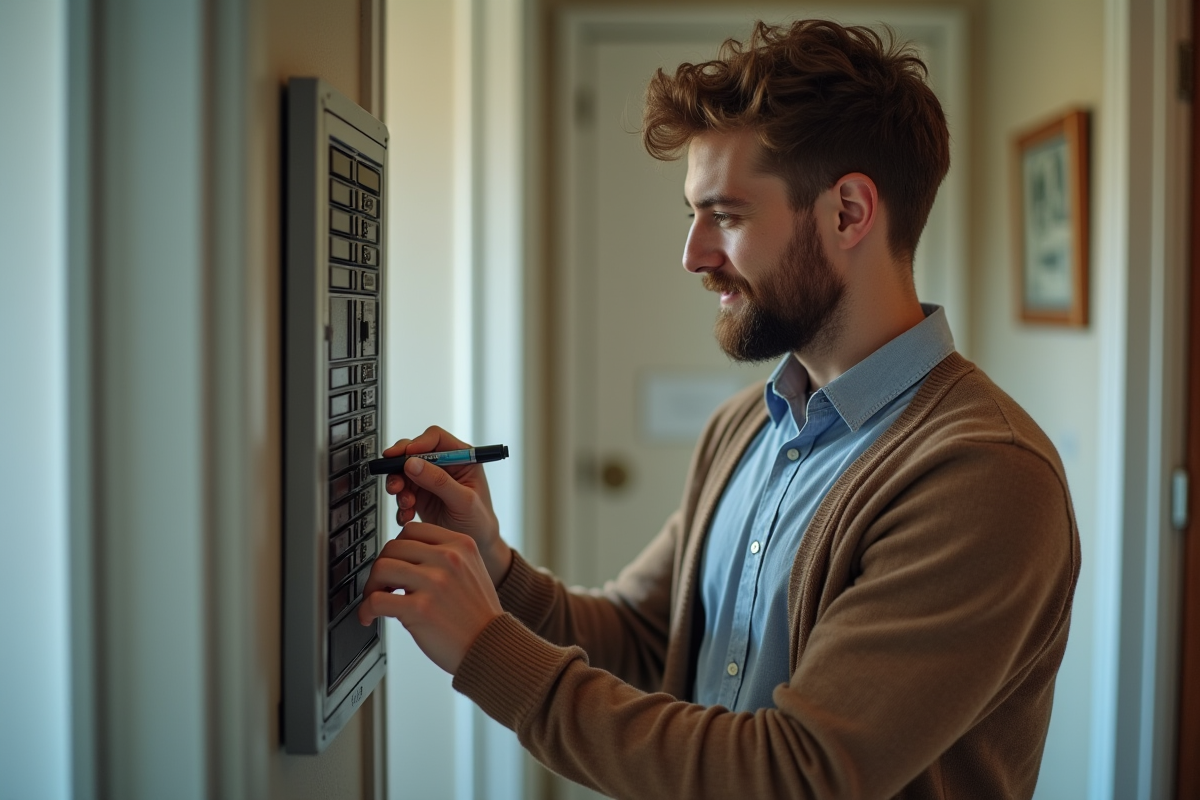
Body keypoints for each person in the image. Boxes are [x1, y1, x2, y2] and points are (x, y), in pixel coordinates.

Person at [359, 19, 1080, 799]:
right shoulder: (746, 427)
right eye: (692, 215)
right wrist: (493, 567)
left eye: (726, 216)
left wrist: (486, 647)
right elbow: (643, 639)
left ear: (848, 212)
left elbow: (796, 774)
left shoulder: (984, 476)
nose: (694, 254)